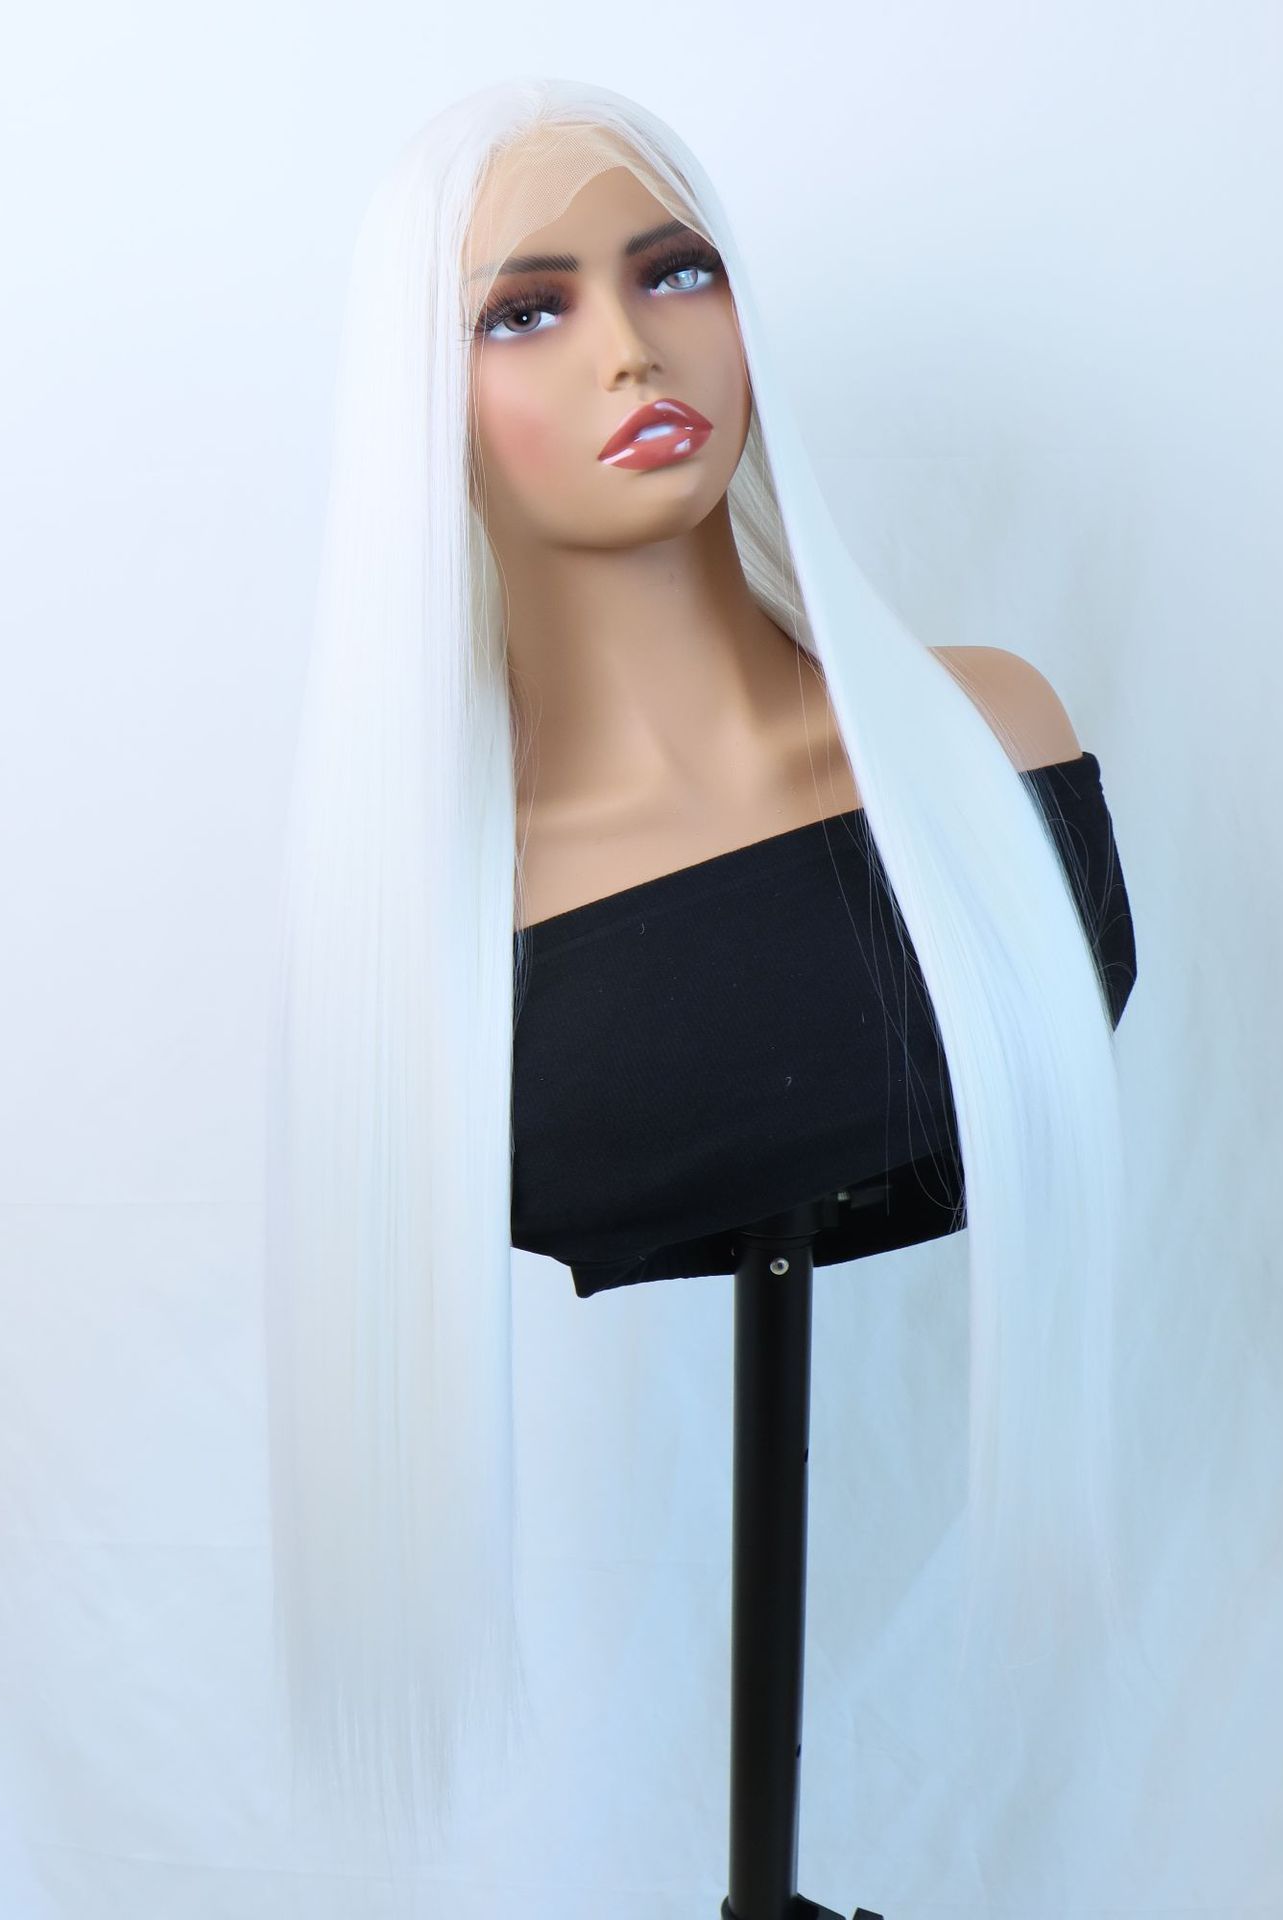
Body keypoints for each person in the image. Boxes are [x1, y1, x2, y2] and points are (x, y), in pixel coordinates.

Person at [262, 77, 1137, 1842]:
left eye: (674, 271)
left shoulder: (996, 749)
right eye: (528, 309)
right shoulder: (441, 958)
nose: (632, 350)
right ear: (425, 407)